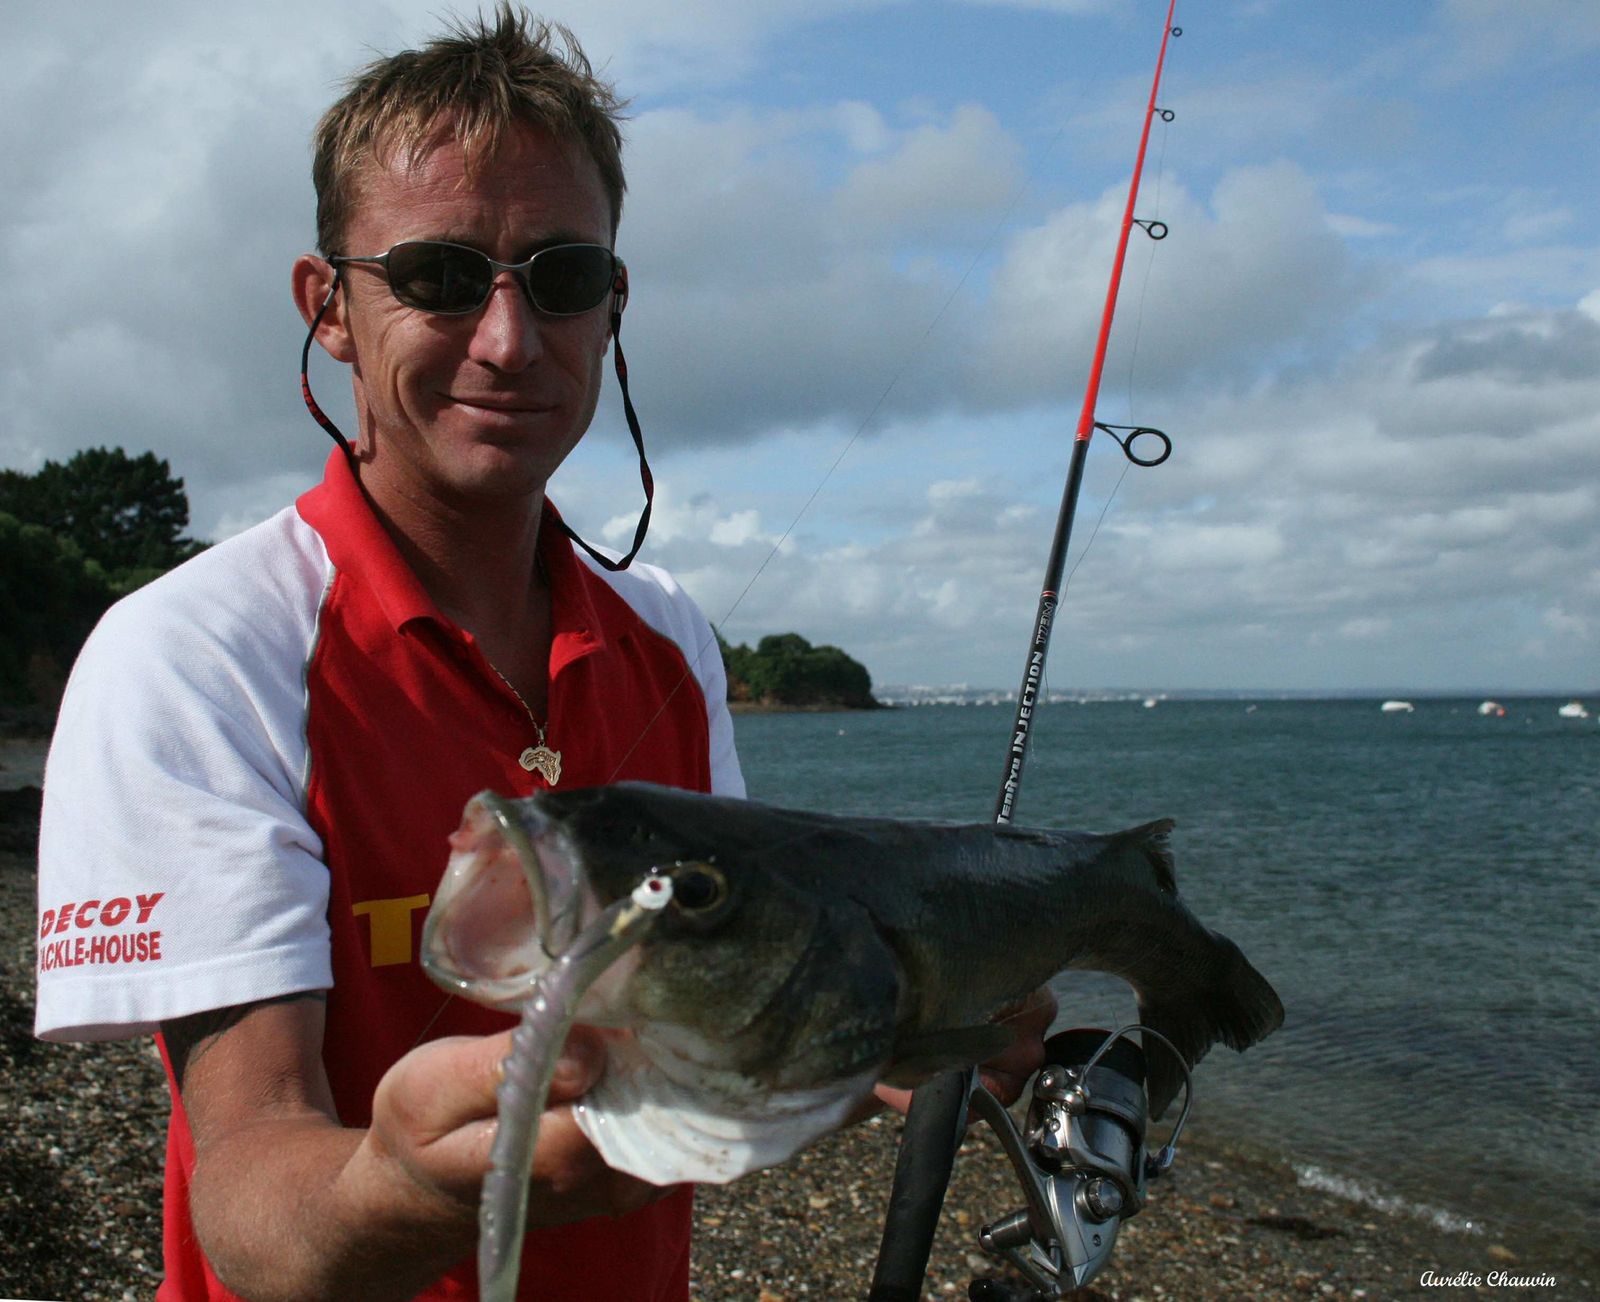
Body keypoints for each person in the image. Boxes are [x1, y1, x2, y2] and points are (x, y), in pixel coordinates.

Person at [34, 9, 1048, 1300]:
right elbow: (247, 1201)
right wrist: (399, 1186)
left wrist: (873, 1036)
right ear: (328, 304)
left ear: (612, 305)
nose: (510, 339)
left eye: (562, 277)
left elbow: (714, 1010)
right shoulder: (191, 654)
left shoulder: (672, 641)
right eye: (443, 276)